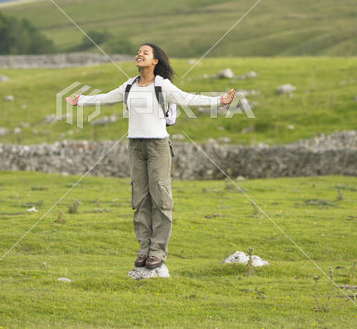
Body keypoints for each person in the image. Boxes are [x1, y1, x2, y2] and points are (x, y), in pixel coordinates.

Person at [66, 43, 235, 270]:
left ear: (155, 61)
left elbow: (188, 99)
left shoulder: (162, 86)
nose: (139, 54)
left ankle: (157, 251)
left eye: (145, 52)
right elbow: (105, 98)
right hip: (135, 146)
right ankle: (144, 249)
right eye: (138, 52)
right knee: (140, 199)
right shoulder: (129, 85)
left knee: (161, 199)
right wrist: (80, 101)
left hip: (158, 146)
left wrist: (219, 101)